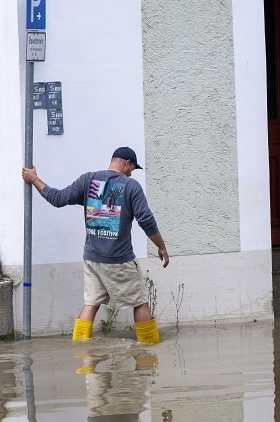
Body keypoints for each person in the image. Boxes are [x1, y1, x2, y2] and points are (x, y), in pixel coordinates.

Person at [21, 146, 169, 344]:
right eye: (132, 169)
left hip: (92, 259)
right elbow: (146, 220)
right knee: (139, 302)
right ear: (127, 163)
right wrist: (161, 245)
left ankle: (83, 356)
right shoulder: (131, 186)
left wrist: (34, 179)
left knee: (91, 303)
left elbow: (57, 199)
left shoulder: (88, 180)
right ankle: (149, 350)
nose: (131, 173)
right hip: (118, 260)